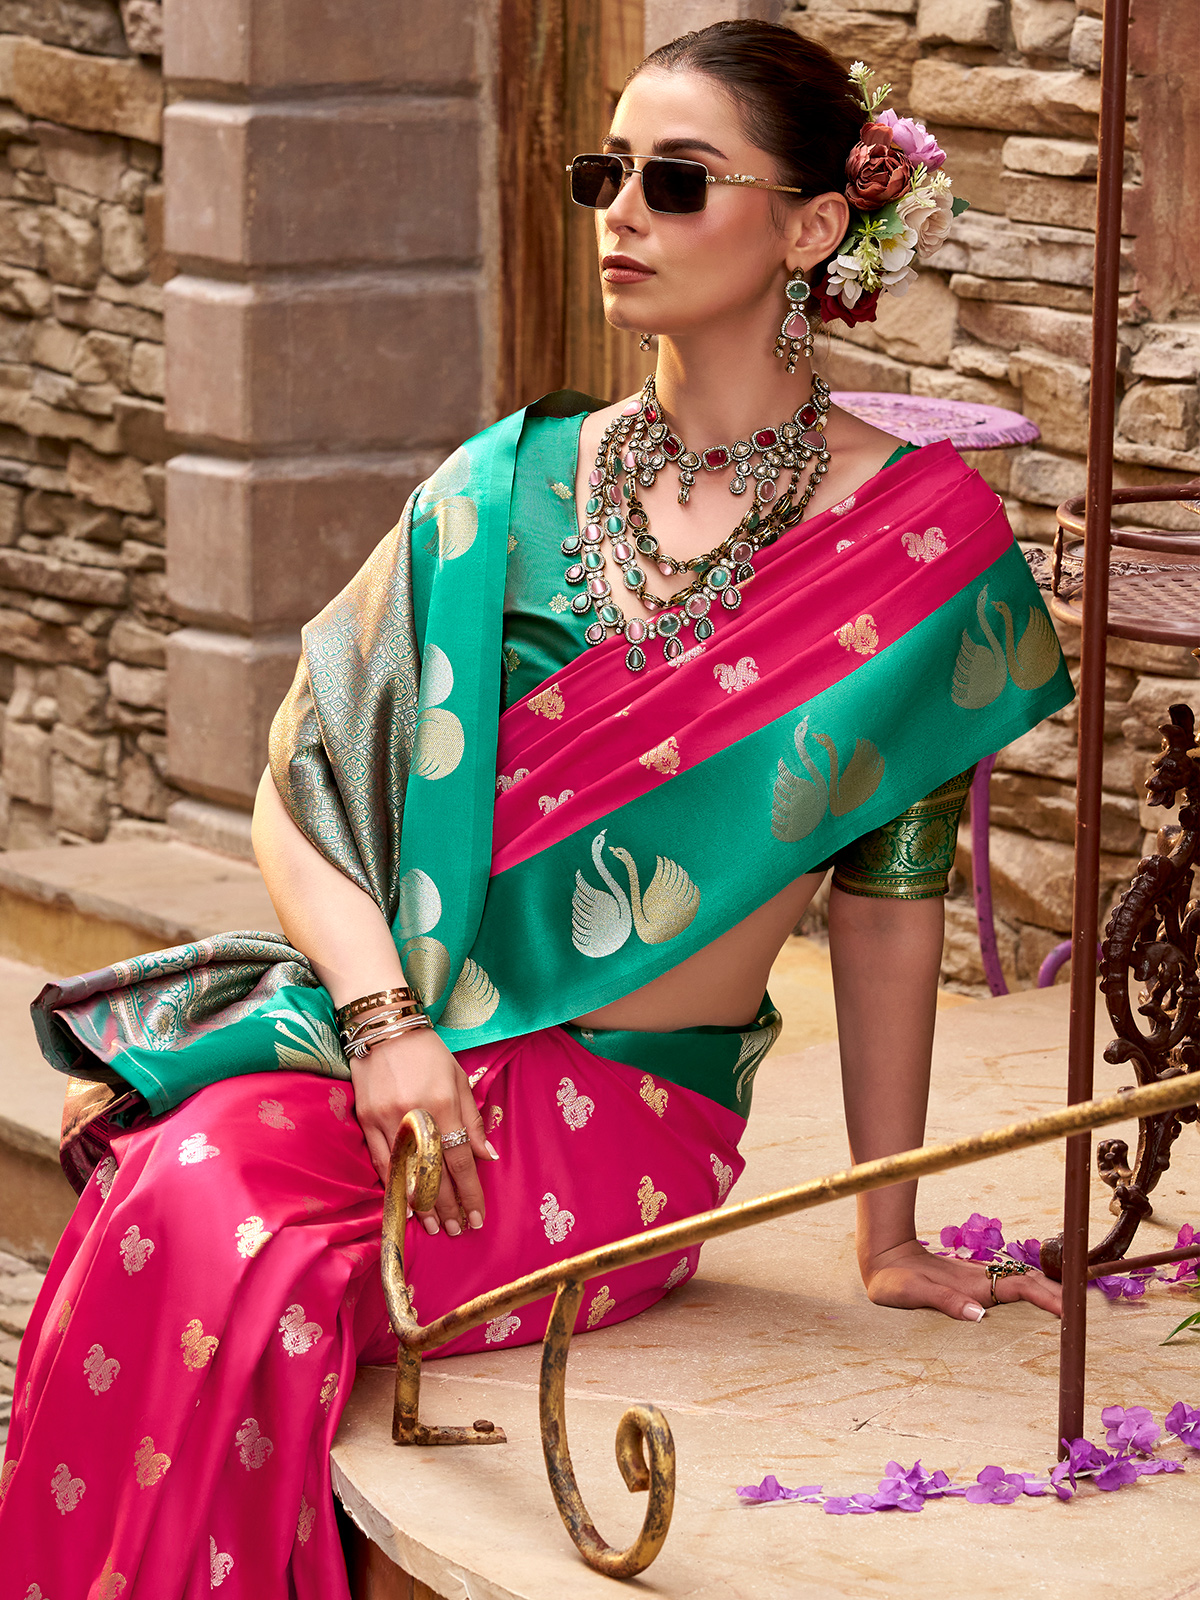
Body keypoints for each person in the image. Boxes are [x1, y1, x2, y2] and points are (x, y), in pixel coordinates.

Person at [0, 20, 1072, 1597]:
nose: (621, 212)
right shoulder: (499, 489)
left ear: (811, 228)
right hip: (405, 1049)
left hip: (624, 1122)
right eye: (605, 174)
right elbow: (304, 797)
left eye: (676, 181)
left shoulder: (917, 544)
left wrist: (886, 1227)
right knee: (174, 1185)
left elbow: (890, 905)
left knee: (220, 1212)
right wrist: (385, 1028)